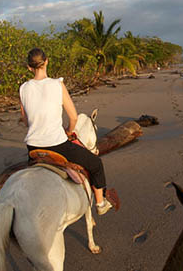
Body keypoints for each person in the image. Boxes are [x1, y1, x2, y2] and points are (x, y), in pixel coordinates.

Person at [19, 48, 113, 215]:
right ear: (47, 61)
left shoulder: (24, 88)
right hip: (57, 145)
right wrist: (69, 131)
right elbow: (74, 117)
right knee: (96, 164)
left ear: (29, 67)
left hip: (32, 148)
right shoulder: (57, 84)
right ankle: (100, 203)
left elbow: (26, 121)